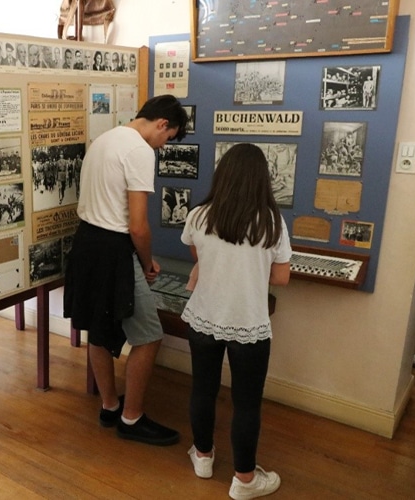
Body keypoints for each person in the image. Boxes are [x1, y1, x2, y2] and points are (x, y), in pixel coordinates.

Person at [63, 95, 189, 447]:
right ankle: (131, 419)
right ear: (162, 124)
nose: (164, 146)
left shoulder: (104, 138)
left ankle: (109, 406)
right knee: (149, 335)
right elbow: (138, 226)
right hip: (113, 248)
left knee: (99, 330)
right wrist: (147, 262)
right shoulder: (139, 151)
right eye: (168, 137)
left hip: (86, 242)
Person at [179, 143, 290, 499]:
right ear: (262, 179)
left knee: (203, 389)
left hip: (204, 316)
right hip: (248, 322)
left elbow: (199, 255)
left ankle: (203, 456)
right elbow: (282, 278)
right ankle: (244, 480)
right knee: (246, 402)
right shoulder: (271, 221)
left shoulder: (198, 215)